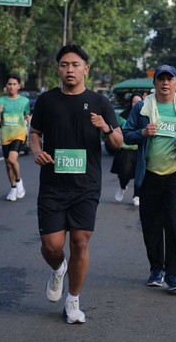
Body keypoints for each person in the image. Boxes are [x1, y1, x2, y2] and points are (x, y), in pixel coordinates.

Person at [29, 44, 123, 324]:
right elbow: (34, 133)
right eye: (64, 65)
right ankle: (59, 268)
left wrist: (105, 128)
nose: (69, 69)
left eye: (75, 65)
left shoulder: (99, 102)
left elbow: (118, 142)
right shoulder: (47, 100)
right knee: (52, 246)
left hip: (86, 185)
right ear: (58, 69)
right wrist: (37, 151)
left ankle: (73, 301)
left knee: (80, 243)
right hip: (53, 184)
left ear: (86, 69)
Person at [123, 65, 176, 291]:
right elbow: (127, 135)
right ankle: (156, 269)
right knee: (151, 224)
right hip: (149, 174)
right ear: (155, 83)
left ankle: (173, 275)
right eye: (161, 79)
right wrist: (142, 133)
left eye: (170, 79)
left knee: (175, 223)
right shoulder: (142, 107)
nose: (165, 83)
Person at [0, 74, 31, 201]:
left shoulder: (24, 101)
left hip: (19, 133)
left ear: (19, 86)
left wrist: (29, 119)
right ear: (6, 86)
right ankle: (13, 187)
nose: (12, 86)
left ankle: (19, 181)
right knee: (8, 164)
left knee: (12, 159)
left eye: (14, 84)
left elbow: (26, 115)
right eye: (9, 84)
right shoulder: (0, 101)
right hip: (5, 134)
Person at [111, 93, 143, 206]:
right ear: (130, 103)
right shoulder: (123, 116)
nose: (136, 104)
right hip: (125, 148)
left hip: (139, 148)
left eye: (139, 102)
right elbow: (116, 130)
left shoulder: (145, 116)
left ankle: (137, 195)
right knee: (124, 172)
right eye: (134, 101)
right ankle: (122, 186)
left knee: (139, 173)